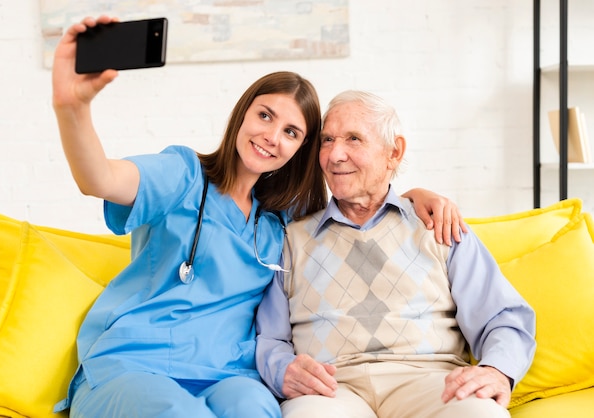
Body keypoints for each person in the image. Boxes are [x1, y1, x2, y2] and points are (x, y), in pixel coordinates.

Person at [51, 16, 466, 418]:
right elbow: (100, 179)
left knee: (257, 410)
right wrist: (73, 108)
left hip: (230, 376)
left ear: (301, 149)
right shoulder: (182, 173)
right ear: (243, 114)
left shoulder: (286, 219)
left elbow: (358, 211)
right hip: (139, 364)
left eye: (291, 132)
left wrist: (412, 197)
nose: (271, 136)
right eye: (265, 115)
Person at [255, 90, 537, 418]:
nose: (335, 155)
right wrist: (283, 370)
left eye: (354, 139)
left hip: (432, 382)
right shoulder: (290, 238)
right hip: (331, 387)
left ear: (394, 152)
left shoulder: (438, 225)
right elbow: (269, 337)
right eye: (328, 140)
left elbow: (502, 318)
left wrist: (496, 370)